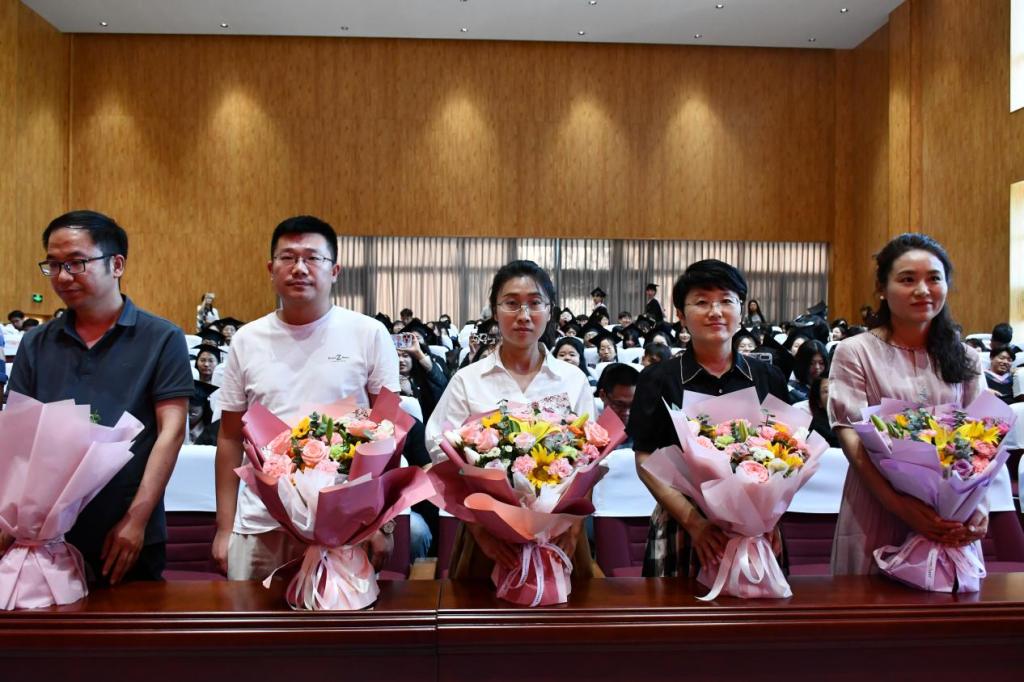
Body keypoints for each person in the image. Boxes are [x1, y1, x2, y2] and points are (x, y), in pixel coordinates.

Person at [7, 210, 192, 585]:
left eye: (76, 263)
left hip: (124, 530)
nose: (63, 276)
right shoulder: (36, 343)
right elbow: (18, 439)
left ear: (117, 264)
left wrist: (136, 520)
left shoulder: (161, 338)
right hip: (46, 534)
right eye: (53, 264)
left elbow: (171, 432)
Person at [213, 215, 400, 581]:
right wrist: (224, 527)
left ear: (335, 270)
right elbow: (230, 437)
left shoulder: (368, 334)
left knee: (341, 619)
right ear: (271, 269)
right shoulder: (247, 340)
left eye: (313, 258)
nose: (299, 268)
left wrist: (381, 522)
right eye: (288, 257)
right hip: (261, 523)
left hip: (346, 524)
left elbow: (387, 433)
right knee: (253, 618)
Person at [425, 260, 595, 580]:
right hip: (487, 539)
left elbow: (591, 460)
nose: (524, 315)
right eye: (512, 303)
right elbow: (441, 453)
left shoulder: (572, 380)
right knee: (480, 611)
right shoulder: (468, 380)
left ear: (550, 310)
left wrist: (574, 526)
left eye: (535, 303)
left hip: (560, 535)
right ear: (495, 310)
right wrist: (481, 531)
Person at [828, 233, 986, 575]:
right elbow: (852, 440)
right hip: (878, 506)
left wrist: (979, 505)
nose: (923, 290)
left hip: (950, 515)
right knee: (872, 603)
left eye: (934, 279)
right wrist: (900, 505)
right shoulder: (855, 352)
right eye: (907, 279)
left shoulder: (966, 358)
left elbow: (982, 441)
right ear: (882, 289)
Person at [628, 259, 789, 577]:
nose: (715, 311)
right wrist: (694, 523)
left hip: (758, 525)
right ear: (680, 315)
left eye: (726, 300)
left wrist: (771, 518)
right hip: (684, 524)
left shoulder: (768, 377)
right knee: (675, 607)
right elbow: (645, 458)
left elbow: (787, 454)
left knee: (758, 607)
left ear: (741, 309)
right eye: (701, 302)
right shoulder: (658, 379)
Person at [397, 330, 449, 423]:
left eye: (405, 356)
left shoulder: (423, 378)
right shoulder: (387, 380)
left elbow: (442, 385)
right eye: (397, 356)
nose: (401, 360)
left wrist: (418, 353)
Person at [596, 362, 639, 430]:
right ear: (602, 395)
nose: (627, 413)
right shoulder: (586, 429)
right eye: (619, 404)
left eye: (633, 405)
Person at [808, 375, 837, 447]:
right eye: (827, 391)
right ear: (819, 402)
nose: (834, 393)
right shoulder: (817, 430)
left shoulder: (857, 418)